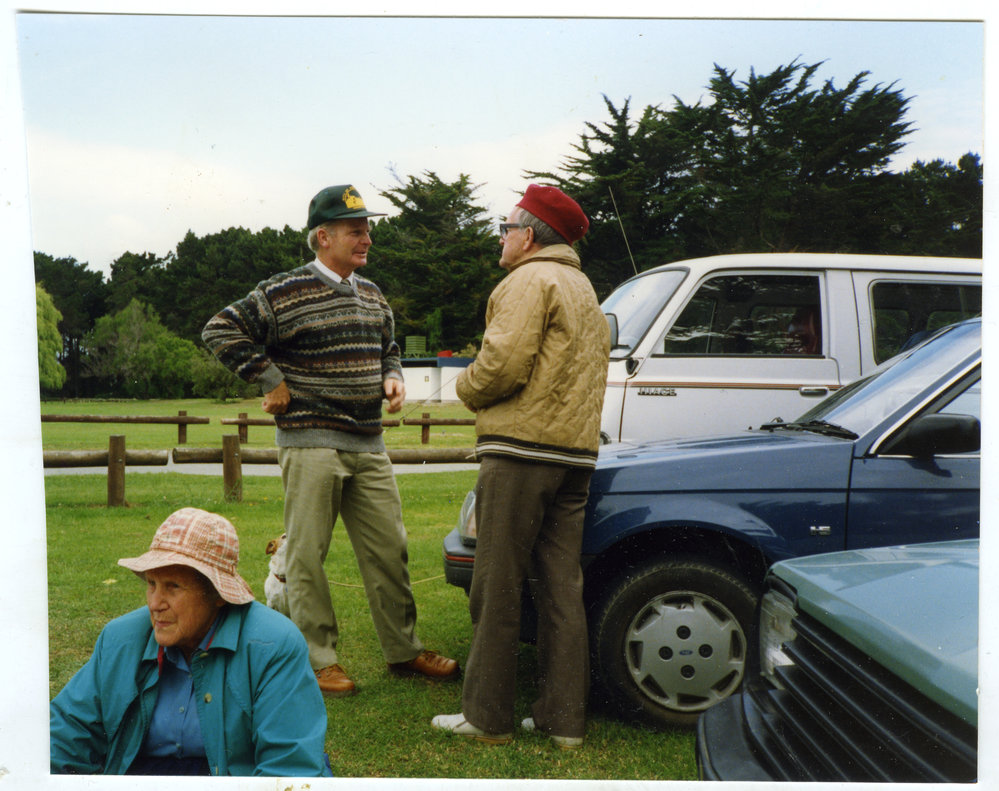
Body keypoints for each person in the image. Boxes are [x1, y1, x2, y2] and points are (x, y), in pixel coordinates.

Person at [202, 184, 458, 697]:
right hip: (310, 440)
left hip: (368, 444)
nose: (366, 239)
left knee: (391, 549)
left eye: (367, 230)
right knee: (306, 555)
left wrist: (393, 376)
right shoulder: (281, 291)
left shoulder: (373, 294)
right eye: (354, 231)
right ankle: (318, 659)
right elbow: (220, 329)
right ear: (323, 237)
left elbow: (387, 348)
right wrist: (270, 378)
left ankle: (404, 651)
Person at [432, 185, 610, 748]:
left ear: (527, 236)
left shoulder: (526, 281)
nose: (502, 238)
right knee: (561, 587)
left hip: (521, 451)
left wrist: (461, 386)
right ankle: (564, 722)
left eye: (505, 228)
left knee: (497, 583)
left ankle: (486, 717)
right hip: (575, 455)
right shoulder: (583, 287)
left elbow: (500, 368)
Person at [49, 507, 331, 776]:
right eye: (151, 584)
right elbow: (64, 735)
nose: (155, 604)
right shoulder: (119, 640)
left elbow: (289, 766)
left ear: (219, 595)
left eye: (173, 587)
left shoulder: (273, 645)